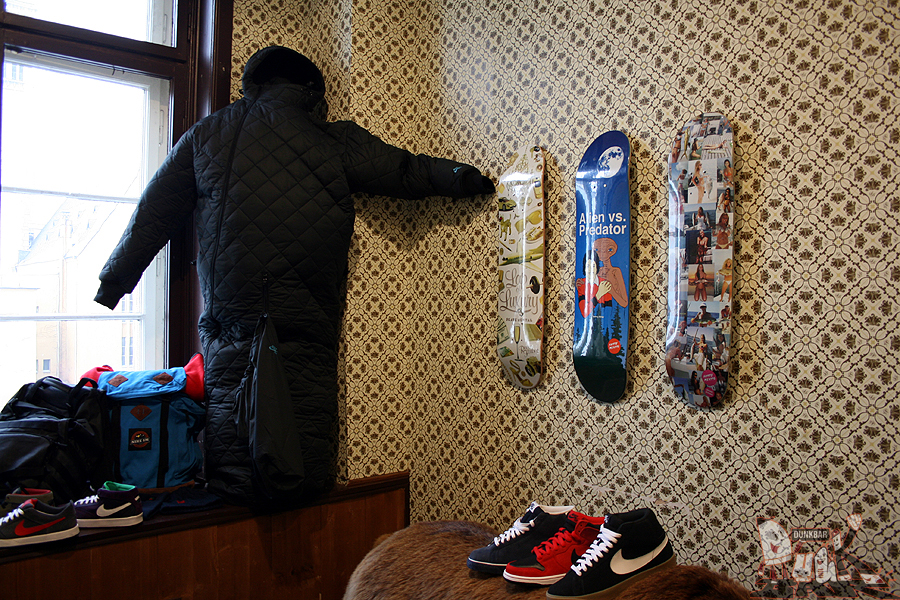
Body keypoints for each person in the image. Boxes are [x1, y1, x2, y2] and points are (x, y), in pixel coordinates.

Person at [93, 46, 495, 506]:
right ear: (310, 90)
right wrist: (464, 178)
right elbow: (406, 171)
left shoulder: (208, 134)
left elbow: (154, 212)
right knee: (305, 407)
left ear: (254, 83)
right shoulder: (332, 140)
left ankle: (235, 503)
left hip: (232, 310)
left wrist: (114, 282)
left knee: (231, 416)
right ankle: (305, 508)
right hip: (307, 308)